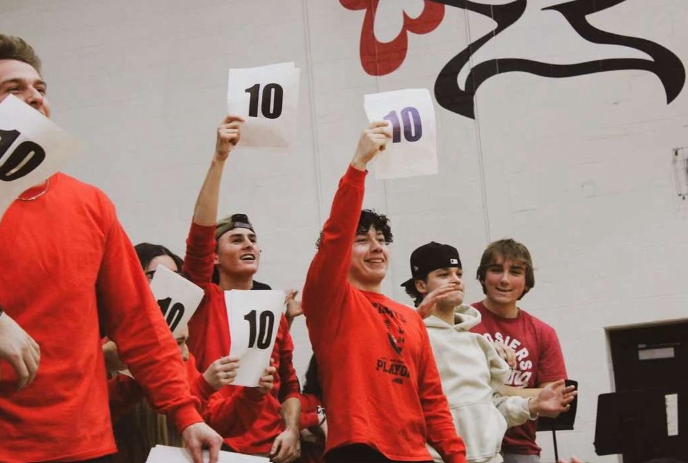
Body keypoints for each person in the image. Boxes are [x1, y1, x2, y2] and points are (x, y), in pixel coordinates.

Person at [0, 34, 222, 463]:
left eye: (40, 89)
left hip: (85, 443)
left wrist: (185, 413)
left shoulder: (90, 204)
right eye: (13, 90)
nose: (35, 98)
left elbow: (138, 320)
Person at [301, 122, 466, 463]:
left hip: (415, 455)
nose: (376, 248)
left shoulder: (410, 315)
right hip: (359, 451)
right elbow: (334, 237)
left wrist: (456, 456)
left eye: (381, 240)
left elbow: (432, 400)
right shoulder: (330, 302)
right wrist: (358, 166)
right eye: (361, 240)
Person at [183, 117, 301, 462]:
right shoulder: (203, 299)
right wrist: (219, 160)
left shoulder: (272, 311)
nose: (248, 243)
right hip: (219, 447)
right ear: (216, 258)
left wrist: (291, 428)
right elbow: (199, 239)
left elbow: (290, 386)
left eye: (252, 239)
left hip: (272, 452)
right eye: (236, 239)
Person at [402, 241, 576, 463]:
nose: (455, 280)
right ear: (421, 285)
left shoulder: (476, 342)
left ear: (526, 281)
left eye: (458, 274)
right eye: (444, 274)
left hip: (504, 452)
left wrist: (531, 404)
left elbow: (488, 405)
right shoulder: (409, 335)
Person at [106, 243, 276, 463]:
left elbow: (214, 422)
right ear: (133, 278)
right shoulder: (106, 348)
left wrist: (253, 393)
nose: (171, 286)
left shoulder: (184, 355)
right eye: (157, 276)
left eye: (176, 276)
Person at [470, 239, 569, 463]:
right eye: (496, 270)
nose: (504, 280)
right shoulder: (464, 320)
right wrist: (529, 394)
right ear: (483, 277)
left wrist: (497, 390)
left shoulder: (543, 332)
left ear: (526, 282)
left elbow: (554, 402)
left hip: (521, 449)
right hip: (471, 445)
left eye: (514, 272)